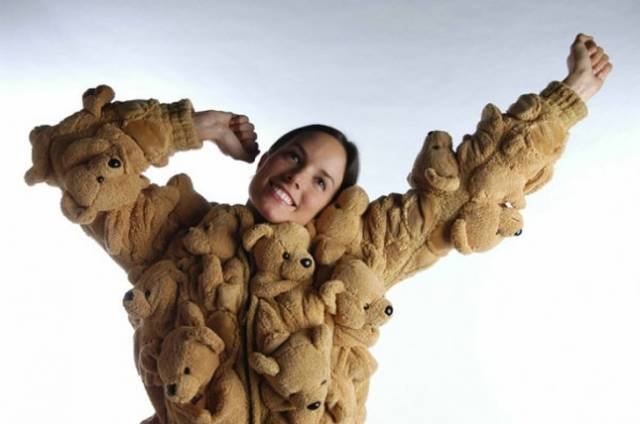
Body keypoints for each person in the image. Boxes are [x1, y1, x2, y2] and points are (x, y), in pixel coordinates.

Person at [25, 33, 612, 423]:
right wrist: (196, 126)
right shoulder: (172, 235)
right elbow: (80, 160)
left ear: (331, 204)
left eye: (321, 180)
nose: (297, 178)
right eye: (292, 156)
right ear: (265, 160)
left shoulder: (353, 255)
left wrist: (567, 100)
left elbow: (462, 195)